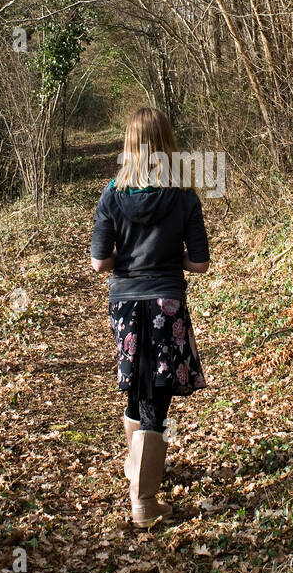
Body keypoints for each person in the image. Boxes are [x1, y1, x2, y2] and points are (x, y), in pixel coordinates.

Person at [90, 108, 210, 528]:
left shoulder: (111, 194)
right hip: (166, 302)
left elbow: (99, 263)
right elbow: (199, 263)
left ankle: (138, 468)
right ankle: (143, 500)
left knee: (136, 388)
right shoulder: (184, 194)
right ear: (166, 143)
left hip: (125, 303)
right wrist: (165, 257)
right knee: (155, 396)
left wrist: (132, 258)